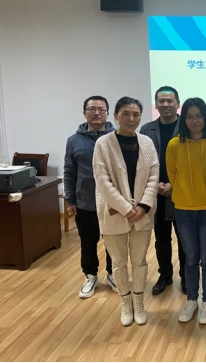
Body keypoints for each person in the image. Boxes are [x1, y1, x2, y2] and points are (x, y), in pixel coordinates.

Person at [93, 97, 159, 327]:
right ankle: (125, 302)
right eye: (126, 113)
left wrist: (143, 206)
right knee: (119, 262)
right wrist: (126, 208)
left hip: (143, 213)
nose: (131, 119)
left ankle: (139, 301)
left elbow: (153, 176)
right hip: (114, 212)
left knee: (139, 261)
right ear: (116, 116)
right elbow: (103, 181)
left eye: (136, 114)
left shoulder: (147, 142)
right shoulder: (103, 144)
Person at [167, 98, 206, 326]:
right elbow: (172, 175)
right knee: (190, 257)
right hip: (183, 210)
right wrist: (184, 195)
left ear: (205, 118)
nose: (194, 121)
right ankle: (191, 299)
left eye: (198, 116)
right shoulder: (174, 145)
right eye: (189, 117)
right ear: (183, 120)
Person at [64, 96, 117, 299]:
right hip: (85, 202)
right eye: (92, 109)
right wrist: (71, 200)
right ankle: (91, 276)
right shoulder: (73, 141)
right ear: (84, 112)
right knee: (88, 242)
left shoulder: (117, 137)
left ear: (108, 113)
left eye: (101, 109)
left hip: (112, 202)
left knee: (113, 241)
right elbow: (69, 172)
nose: (96, 113)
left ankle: (113, 275)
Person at [140, 86, 187, 297]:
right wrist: (156, 184)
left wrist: (174, 185)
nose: (166, 104)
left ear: (178, 104)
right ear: (156, 104)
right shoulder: (146, 130)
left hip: (183, 193)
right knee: (161, 239)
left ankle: (186, 276)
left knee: (185, 239)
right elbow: (142, 163)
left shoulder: (187, 127)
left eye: (170, 101)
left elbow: (193, 163)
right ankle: (165, 275)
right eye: (161, 101)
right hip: (156, 193)